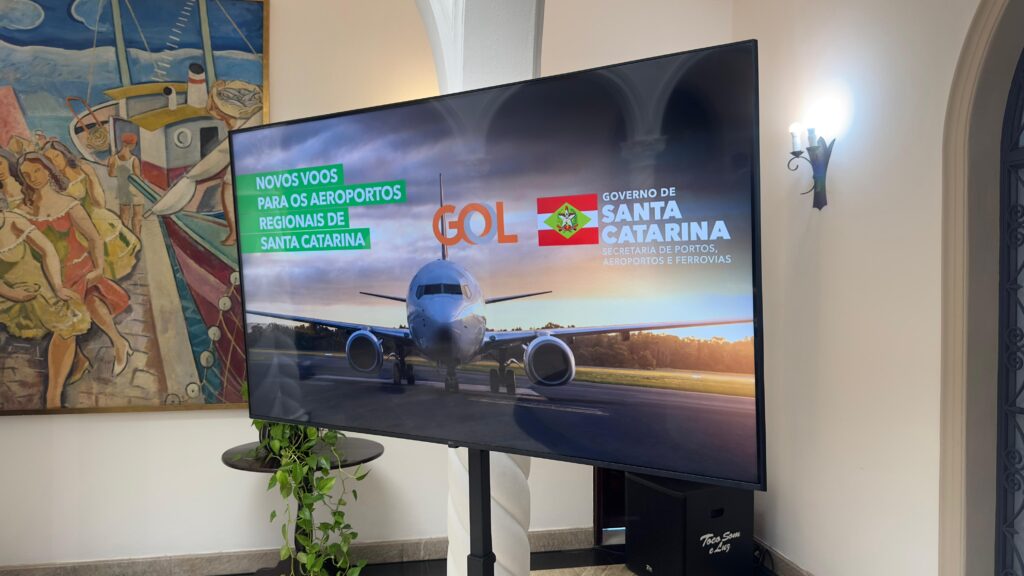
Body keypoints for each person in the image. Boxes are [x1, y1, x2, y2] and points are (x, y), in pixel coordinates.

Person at [17, 153, 134, 380]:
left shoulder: (68, 203)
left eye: (37, 170)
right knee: (66, 322)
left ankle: (118, 344)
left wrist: (98, 268)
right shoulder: (22, 210)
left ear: (48, 170)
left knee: (87, 307)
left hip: (79, 268)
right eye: (27, 175)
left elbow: (94, 238)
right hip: (48, 275)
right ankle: (83, 359)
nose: (33, 177)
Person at [0, 196, 92, 409]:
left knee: (66, 324)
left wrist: (58, 286)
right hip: (6, 294)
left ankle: (53, 398)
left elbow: (47, 250)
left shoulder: (13, 220)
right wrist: (12, 294)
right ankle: (77, 360)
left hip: (38, 285)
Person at [43, 141, 140, 280]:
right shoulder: (51, 183)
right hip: (78, 228)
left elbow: (99, 203)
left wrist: (91, 177)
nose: (54, 162)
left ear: (64, 154)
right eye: (49, 160)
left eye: (56, 156)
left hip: (99, 219)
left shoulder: (82, 170)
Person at [107, 133, 144, 238]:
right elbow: (137, 177)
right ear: (133, 145)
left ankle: (126, 239)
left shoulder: (113, 159)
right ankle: (137, 238)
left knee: (124, 218)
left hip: (123, 190)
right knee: (137, 217)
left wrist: (121, 173)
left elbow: (111, 174)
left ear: (123, 143)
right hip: (136, 190)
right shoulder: (134, 159)